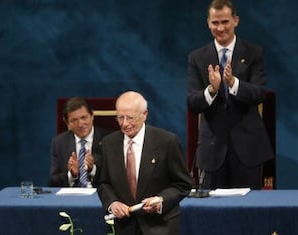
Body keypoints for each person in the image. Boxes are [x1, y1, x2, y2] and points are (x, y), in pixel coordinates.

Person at [187, 0, 274, 190]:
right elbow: (193, 102)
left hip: (247, 149)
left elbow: (259, 94)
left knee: (249, 212)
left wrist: (233, 83)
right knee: (211, 214)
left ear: (236, 20)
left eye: (225, 22)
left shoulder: (253, 53)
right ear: (208, 23)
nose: (220, 28)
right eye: (215, 23)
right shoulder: (197, 57)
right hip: (212, 149)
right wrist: (212, 89)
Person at [97, 91, 192, 235]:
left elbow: (182, 184)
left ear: (145, 114)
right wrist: (112, 203)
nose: (125, 123)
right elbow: (103, 183)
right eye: (120, 117)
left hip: (160, 226)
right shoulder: (108, 144)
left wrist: (161, 200)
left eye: (130, 118)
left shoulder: (167, 142)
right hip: (124, 228)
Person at [49, 97, 110, 187]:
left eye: (84, 117)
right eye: (74, 120)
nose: (80, 124)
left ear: (92, 116)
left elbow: (114, 178)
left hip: (101, 196)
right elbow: (53, 182)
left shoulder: (108, 140)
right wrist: (72, 174)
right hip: (71, 198)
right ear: (67, 123)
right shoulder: (58, 143)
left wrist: (93, 169)